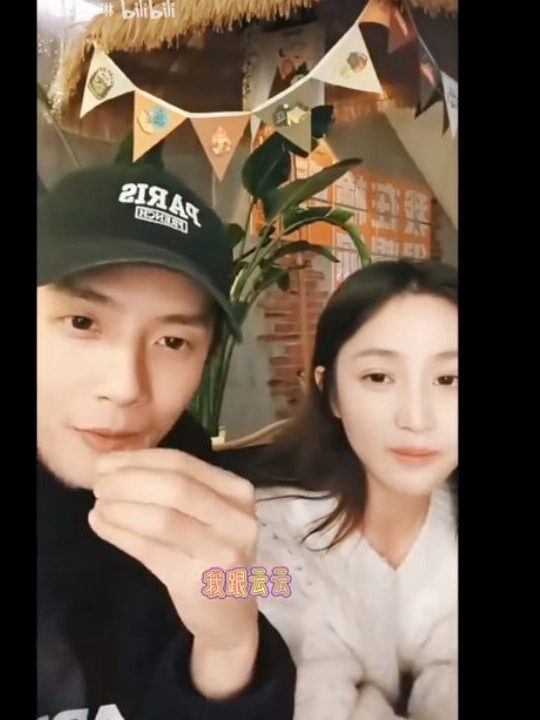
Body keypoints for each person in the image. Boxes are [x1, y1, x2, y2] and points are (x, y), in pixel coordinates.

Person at [37, 163, 296, 720]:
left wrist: (229, 644)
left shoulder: (196, 505)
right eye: (81, 322)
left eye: (173, 341)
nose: (126, 386)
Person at [253, 260, 458, 720]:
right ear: (331, 393)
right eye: (378, 377)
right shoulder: (260, 538)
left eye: (449, 380)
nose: (416, 418)